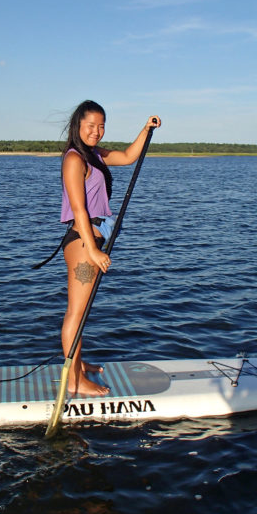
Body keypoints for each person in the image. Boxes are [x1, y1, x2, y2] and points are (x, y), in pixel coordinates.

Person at [59, 100, 161, 396]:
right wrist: (93, 251)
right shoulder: (74, 159)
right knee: (76, 312)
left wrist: (145, 129)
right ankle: (74, 380)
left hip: (92, 237)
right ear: (78, 125)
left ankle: (78, 363)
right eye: (90, 125)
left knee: (84, 310)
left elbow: (129, 156)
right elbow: (79, 210)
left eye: (101, 126)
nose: (97, 131)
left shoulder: (95, 155)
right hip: (82, 241)